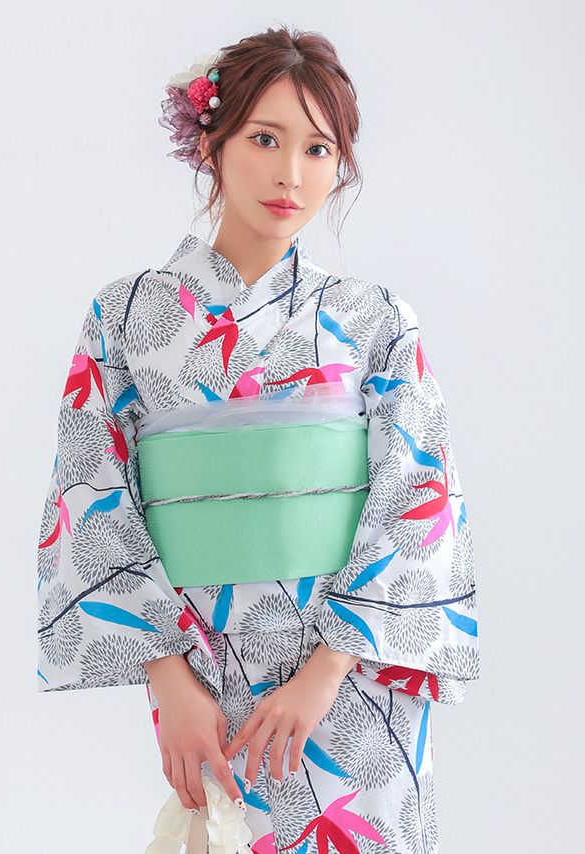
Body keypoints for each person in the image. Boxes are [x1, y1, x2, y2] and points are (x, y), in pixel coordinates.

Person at [36, 24, 481, 854]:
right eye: (265, 139)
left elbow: (419, 499)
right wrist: (170, 680)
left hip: (352, 676)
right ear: (211, 142)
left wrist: (326, 672)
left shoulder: (373, 318)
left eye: (318, 149)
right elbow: (90, 489)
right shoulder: (127, 315)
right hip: (203, 671)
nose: (291, 174)